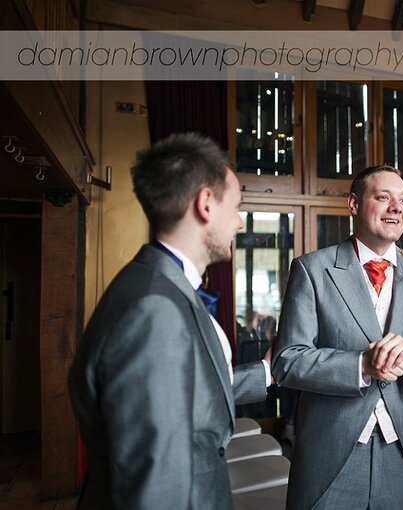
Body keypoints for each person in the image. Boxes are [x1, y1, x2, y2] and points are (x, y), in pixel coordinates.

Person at [69, 133, 272, 509]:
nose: (240, 223)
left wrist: (266, 370)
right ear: (206, 204)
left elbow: (190, 404)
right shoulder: (154, 310)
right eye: (237, 206)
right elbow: (156, 482)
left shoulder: (159, 287)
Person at [273, 164, 403, 510]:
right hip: (331, 452)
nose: (397, 208)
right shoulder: (312, 270)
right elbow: (287, 361)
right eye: (383, 197)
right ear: (353, 205)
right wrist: (361, 365)